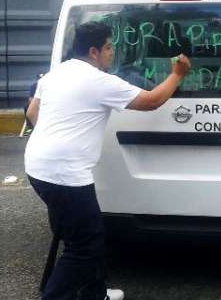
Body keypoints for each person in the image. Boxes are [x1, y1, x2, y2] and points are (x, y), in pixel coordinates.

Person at [24, 22, 191, 300]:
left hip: (38, 166)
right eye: (109, 47)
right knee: (85, 246)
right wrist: (177, 74)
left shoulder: (55, 74)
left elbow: (32, 112)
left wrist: (59, 137)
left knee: (84, 234)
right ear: (94, 51)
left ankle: (95, 293)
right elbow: (151, 101)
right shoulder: (98, 81)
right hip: (65, 174)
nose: (112, 53)